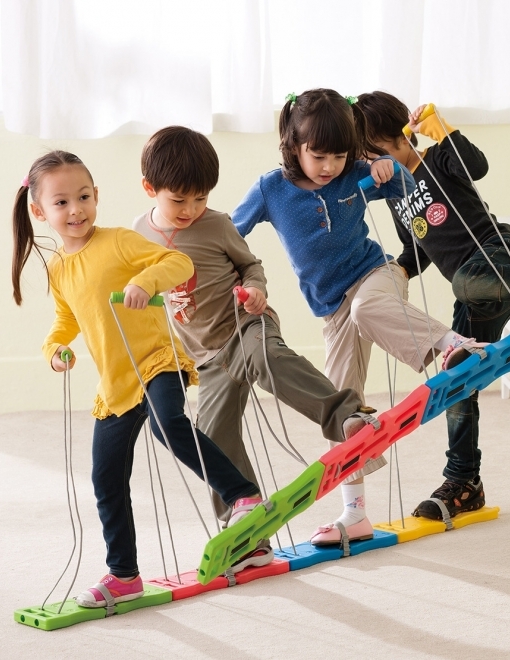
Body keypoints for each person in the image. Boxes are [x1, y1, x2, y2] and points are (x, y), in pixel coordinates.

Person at [232, 88, 486, 546]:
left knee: (368, 308)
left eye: (339, 156)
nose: (329, 166)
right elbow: (230, 234)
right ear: (293, 145)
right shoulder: (271, 188)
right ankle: (355, 514)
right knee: (341, 410)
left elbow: (409, 188)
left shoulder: (355, 173)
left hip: (376, 277)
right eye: (319, 156)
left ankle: (453, 345)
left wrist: (390, 169)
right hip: (332, 310)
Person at [11, 151, 263, 609]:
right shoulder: (59, 267)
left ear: (96, 195)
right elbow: (66, 319)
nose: (76, 210)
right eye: (62, 202)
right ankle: (123, 574)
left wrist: (146, 282)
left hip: (155, 361)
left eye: (83, 197)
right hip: (116, 383)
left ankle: (242, 495)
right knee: (106, 477)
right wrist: (55, 349)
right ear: (39, 211)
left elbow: (178, 263)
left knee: (169, 425)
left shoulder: (120, 241)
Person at [133, 125, 377, 552]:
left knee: (269, 359)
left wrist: (255, 289)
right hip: (205, 357)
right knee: (211, 437)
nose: (191, 209)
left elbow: (251, 265)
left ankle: (345, 416)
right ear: (150, 189)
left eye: (200, 199)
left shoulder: (216, 225)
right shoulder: (139, 235)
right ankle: (247, 529)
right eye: (179, 200)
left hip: (245, 326)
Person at [356, 90, 510, 521]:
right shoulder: (394, 195)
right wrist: (394, 274)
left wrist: (443, 130)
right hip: (473, 289)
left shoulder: (437, 159)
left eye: (372, 154)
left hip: (500, 254)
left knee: (466, 280)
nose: (371, 166)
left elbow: (477, 165)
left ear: (399, 138)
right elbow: (418, 250)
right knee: (457, 373)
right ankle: (464, 481)